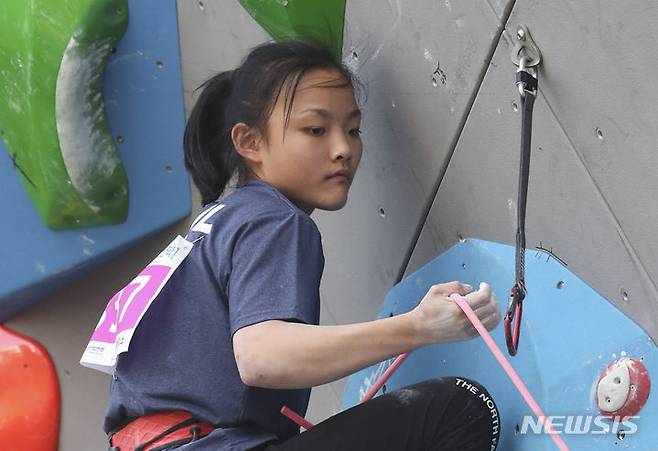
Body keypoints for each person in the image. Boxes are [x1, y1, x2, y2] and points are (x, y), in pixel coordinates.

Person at [103, 40, 502, 451]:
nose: (343, 149)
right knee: (459, 410)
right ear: (250, 143)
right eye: (316, 130)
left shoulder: (215, 225)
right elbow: (262, 357)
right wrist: (418, 326)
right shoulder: (272, 218)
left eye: (352, 130)